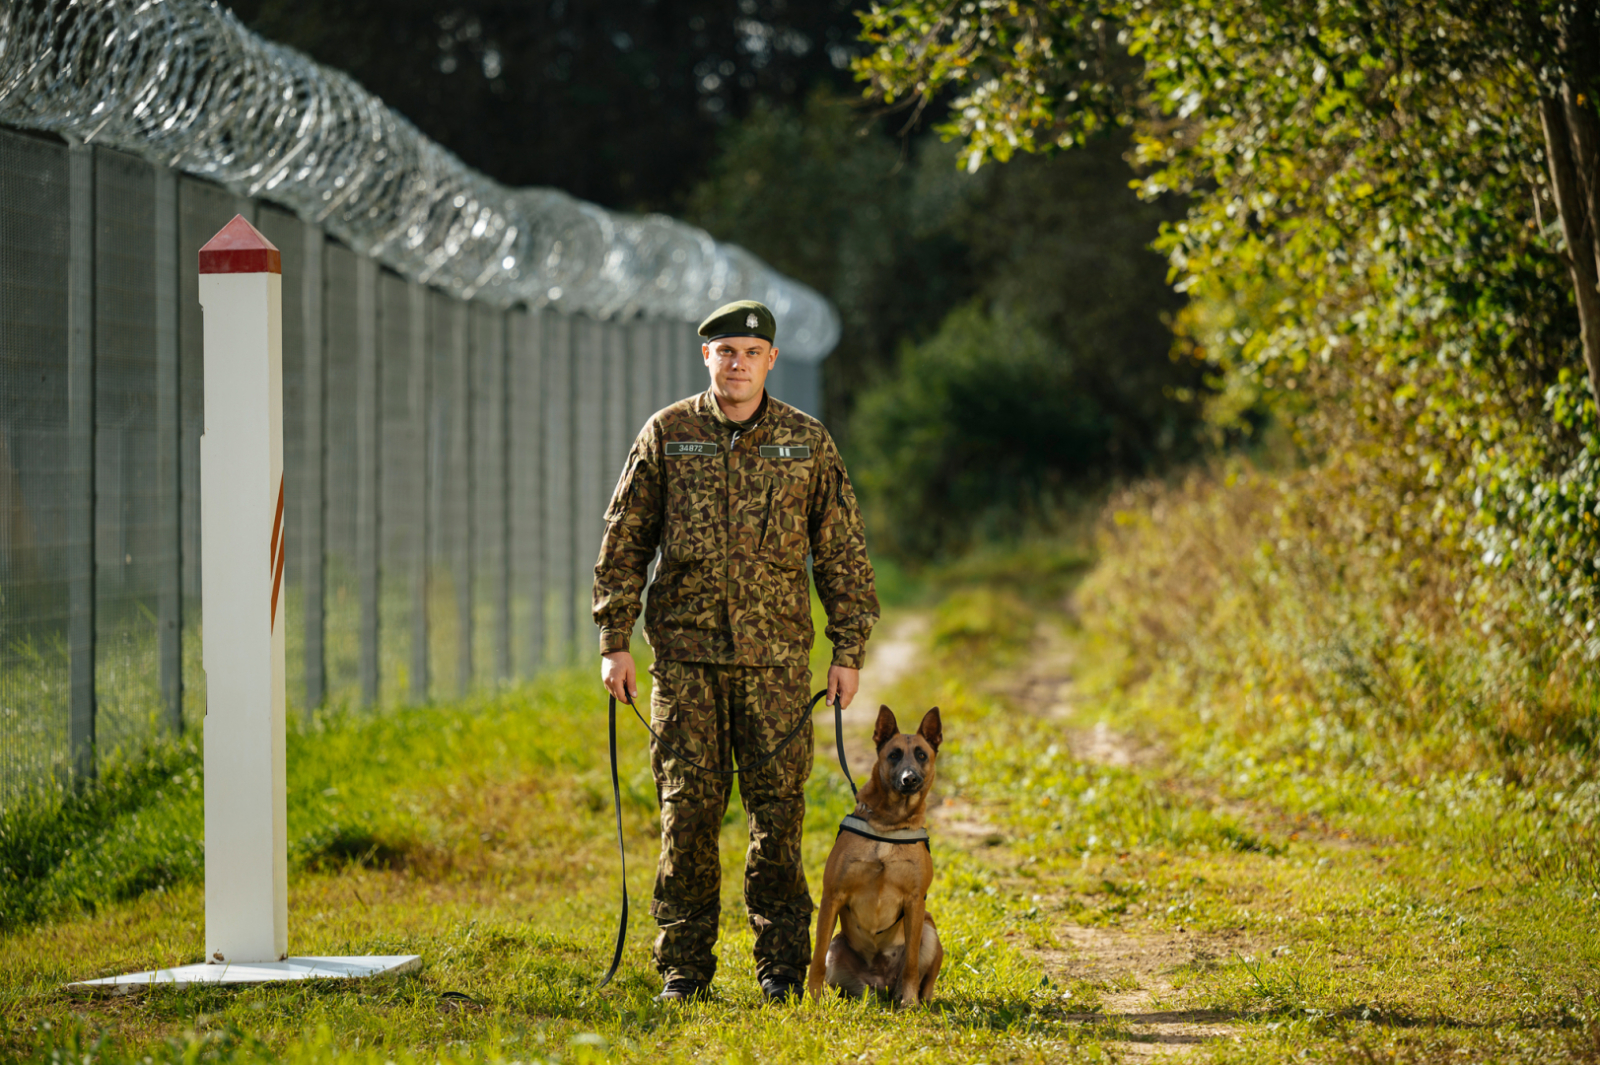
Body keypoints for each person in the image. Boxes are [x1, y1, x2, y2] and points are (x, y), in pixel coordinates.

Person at [593, 299, 878, 1004]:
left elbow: (841, 551)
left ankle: (781, 967)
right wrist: (613, 639)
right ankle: (684, 969)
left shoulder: (807, 442)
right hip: (684, 661)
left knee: (777, 814)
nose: (738, 364)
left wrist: (849, 649)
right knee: (687, 812)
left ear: (771, 360)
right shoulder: (668, 434)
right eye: (726, 352)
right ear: (706, 358)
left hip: (777, 664)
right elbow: (625, 539)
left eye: (751, 352)